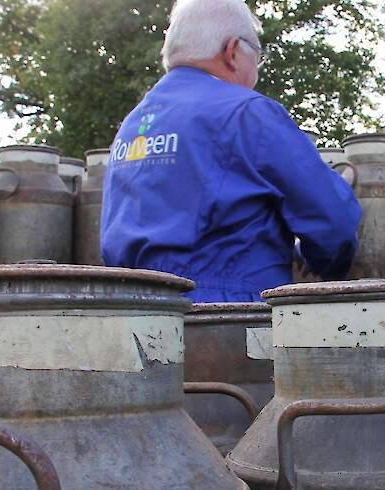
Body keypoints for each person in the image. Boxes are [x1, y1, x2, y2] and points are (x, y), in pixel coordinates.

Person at [101, 0, 361, 302]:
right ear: (233, 50)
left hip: (132, 312)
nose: (257, 72)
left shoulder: (133, 123)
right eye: (258, 57)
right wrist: (327, 268)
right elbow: (332, 220)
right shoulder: (247, 113)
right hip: (228, 315)